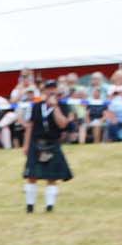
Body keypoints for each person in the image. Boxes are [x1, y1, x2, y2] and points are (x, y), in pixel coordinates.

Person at [21, 85, 74, 213]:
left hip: (52, 144)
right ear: (44, 92)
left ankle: (50, 206)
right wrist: (26, 144)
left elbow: (62, 124)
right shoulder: (37, 106)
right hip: (36, 144)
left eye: (53, 89)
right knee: (31, 175)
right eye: (48, 89)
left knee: (52, 177)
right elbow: (30, 126)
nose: (51, 92)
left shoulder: (63, 106)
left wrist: (55, 107)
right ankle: (30, 206)